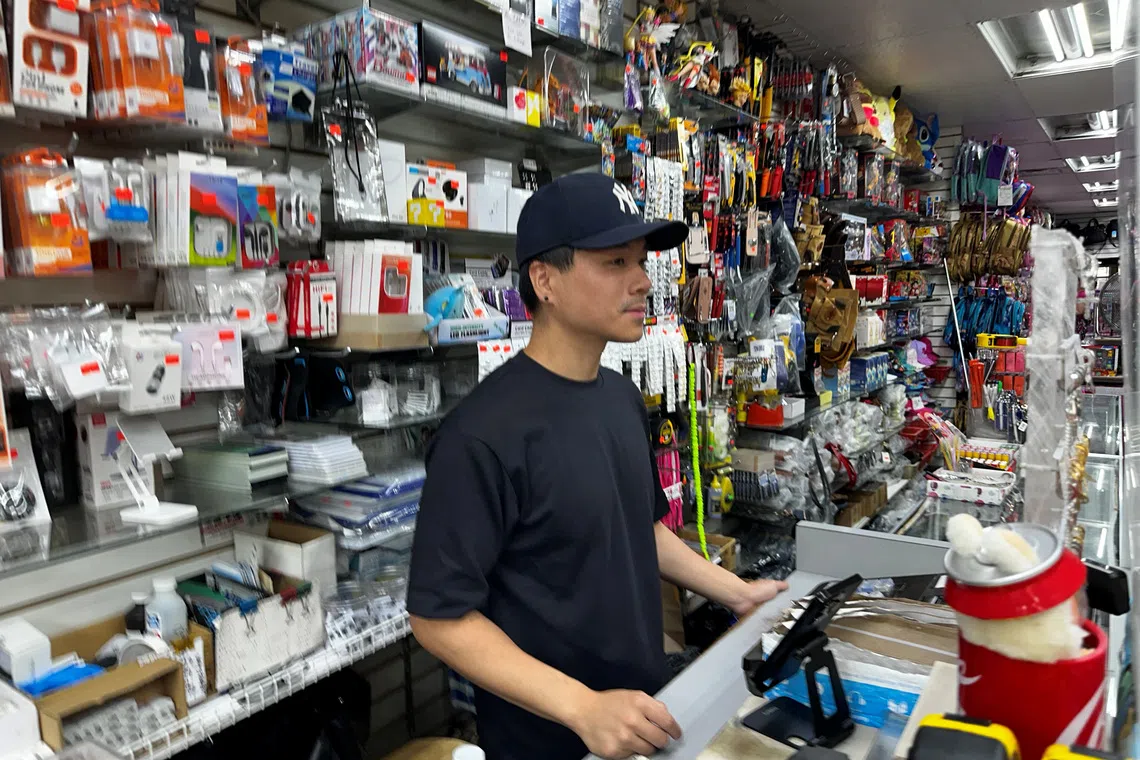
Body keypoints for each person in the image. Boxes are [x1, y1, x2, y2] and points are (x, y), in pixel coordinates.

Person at [408, 174, 788, 760]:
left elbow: (638, 527)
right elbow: (438, 618)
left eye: (639, 261)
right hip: (552, 739)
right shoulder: (482, 435)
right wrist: (582, 706)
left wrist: (736, 592)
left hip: (646, 715)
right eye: (615, 262)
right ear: (545, 281)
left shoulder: (618, 397)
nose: (642, 281)